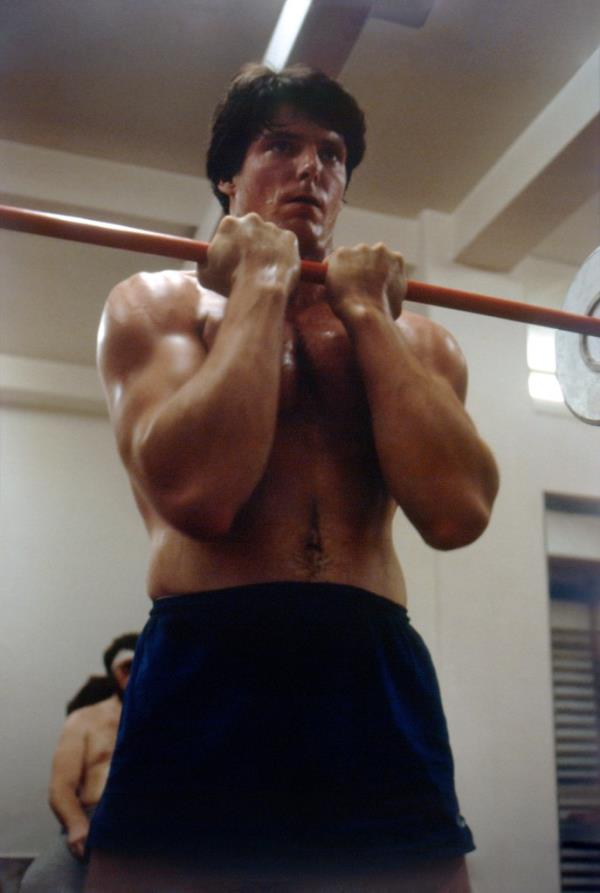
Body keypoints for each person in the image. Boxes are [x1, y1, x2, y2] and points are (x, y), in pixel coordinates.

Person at [86, 64, 499, 892]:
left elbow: (457, 513)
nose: (312, 168)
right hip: (212, 657)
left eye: (333, 153)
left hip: (371, 667)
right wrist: (264, 280)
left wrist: (367, 317)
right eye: (281, 145)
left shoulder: (417, 341)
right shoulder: (154, 306)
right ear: (227, 176)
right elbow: (202, 493)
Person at [20, 634, 138, 893]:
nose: (135, 672)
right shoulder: (84, 720)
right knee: (40, 883)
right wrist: (76, 825)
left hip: (145, 819)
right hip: (91, 819)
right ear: (113, 673)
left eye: (142, 663)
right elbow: (60, 787)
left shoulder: (170, 716)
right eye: (127, 667)